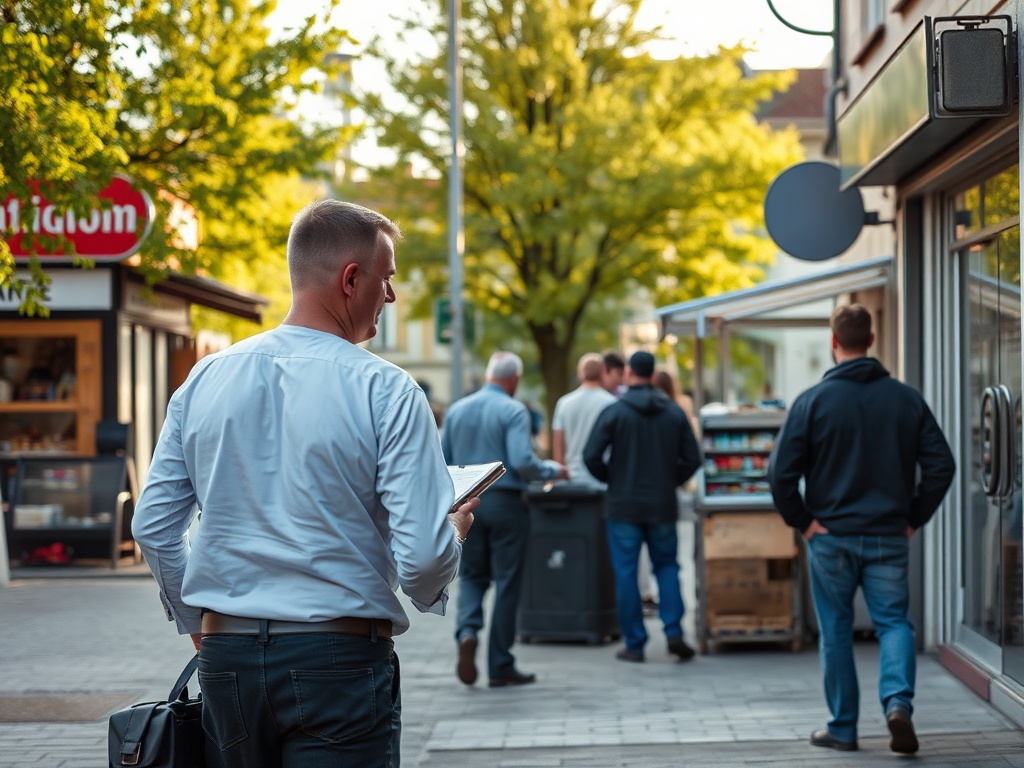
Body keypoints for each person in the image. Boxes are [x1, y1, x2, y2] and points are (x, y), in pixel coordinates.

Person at [132, 199, 477, 768]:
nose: (390, 297)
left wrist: (200, 625)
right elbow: (419, 564)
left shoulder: (205, 379)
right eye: (386, 280)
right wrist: (454, 531)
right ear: (351, 278)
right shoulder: (387, 390)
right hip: (337, 658)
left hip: (227, 660)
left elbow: (153, 525)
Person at [767, 304, 955, 756]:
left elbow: (779, 475)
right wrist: (913, 518)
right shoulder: (905, 399)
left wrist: (805, 523)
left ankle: (844, 728)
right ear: (871, 341)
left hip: (829, 536)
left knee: (835, 631)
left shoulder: (811, 402)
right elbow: (942, 466)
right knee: (893, 623)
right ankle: (898, 705)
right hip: (890, 533)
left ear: (834, 343)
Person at [441, 351, 568, 688]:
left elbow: (444, 461)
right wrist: (552, 470)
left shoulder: (457, 410)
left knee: (471, 576)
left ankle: (467, 631)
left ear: (488, 374)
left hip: (467, 506)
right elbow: (521, 460)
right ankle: (500, 663)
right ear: (513, 380)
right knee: (507, 582)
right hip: (508, 505)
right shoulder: (514, 410)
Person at [583, 350, 703, 663]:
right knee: (667, 567)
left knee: (625, 573)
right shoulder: (673, 412)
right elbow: (693, 458)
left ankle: (635, 644)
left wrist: (613, 479)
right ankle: (674, 631)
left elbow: (590, 455)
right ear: (652, 374)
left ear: (628, 374)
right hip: (662, 503)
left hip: (623, 505)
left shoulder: (615, 411)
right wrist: (670, 480)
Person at [551, 353, 617, 486]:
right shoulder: (612, 403)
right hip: (601, 480)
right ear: (603, 372)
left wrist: (559, 476)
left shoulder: (564, 403)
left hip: (572, 479)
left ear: (580, 373)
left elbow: (558, 447)